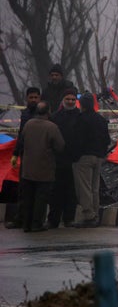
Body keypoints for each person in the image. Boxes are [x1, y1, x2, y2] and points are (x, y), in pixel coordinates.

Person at [13, 101, 65, 232]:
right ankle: (37, 224)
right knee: (41, 198)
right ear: (49, 112)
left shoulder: (28, 124)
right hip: (44, 168)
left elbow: (21, 141)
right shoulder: (52, 127)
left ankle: (26, 224)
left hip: (28, 168)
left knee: (28, 197)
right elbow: (60, 146)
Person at [71, 93, 111, 228]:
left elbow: (77, 140)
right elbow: (107, 140)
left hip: (84, 157)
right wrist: (102, 153)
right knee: (95, 188)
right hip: (98, 157)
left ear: (81, 105)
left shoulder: (80, 119)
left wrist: (75, 156)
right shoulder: (100, 119)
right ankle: (96, 215)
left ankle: (89, 215)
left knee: (84, 188)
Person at [6, 87, 42, 229]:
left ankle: (34, 219)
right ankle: (21, 218)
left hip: (39, 157)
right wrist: (16, 153)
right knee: (23, 189)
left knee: (38, 190)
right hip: (26, 155)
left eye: (36, 97)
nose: (33, 100)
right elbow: (21, 135)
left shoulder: (43, 114)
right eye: (31, 97)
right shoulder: (25, 114)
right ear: (27, 98)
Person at [48, 88, 81, 228]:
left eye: (73, 99)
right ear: (63, 100)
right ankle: (53, 219)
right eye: (68, 99)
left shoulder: (80, 116)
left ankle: (69, 218)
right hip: (58, 159)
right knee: (56, 191)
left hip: (74, 159)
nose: (70, 101)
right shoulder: (55, 116)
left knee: (71, 191)